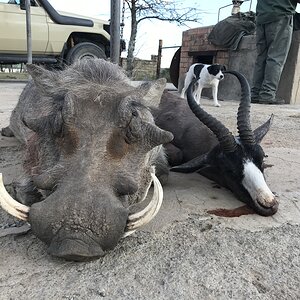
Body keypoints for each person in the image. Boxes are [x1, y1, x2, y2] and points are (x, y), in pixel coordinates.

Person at [251, 0, 299, 104]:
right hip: (280, 15)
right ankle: (267, 94)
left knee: (261, 57)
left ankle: (254, 94)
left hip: (261, 17)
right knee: (276, 57)